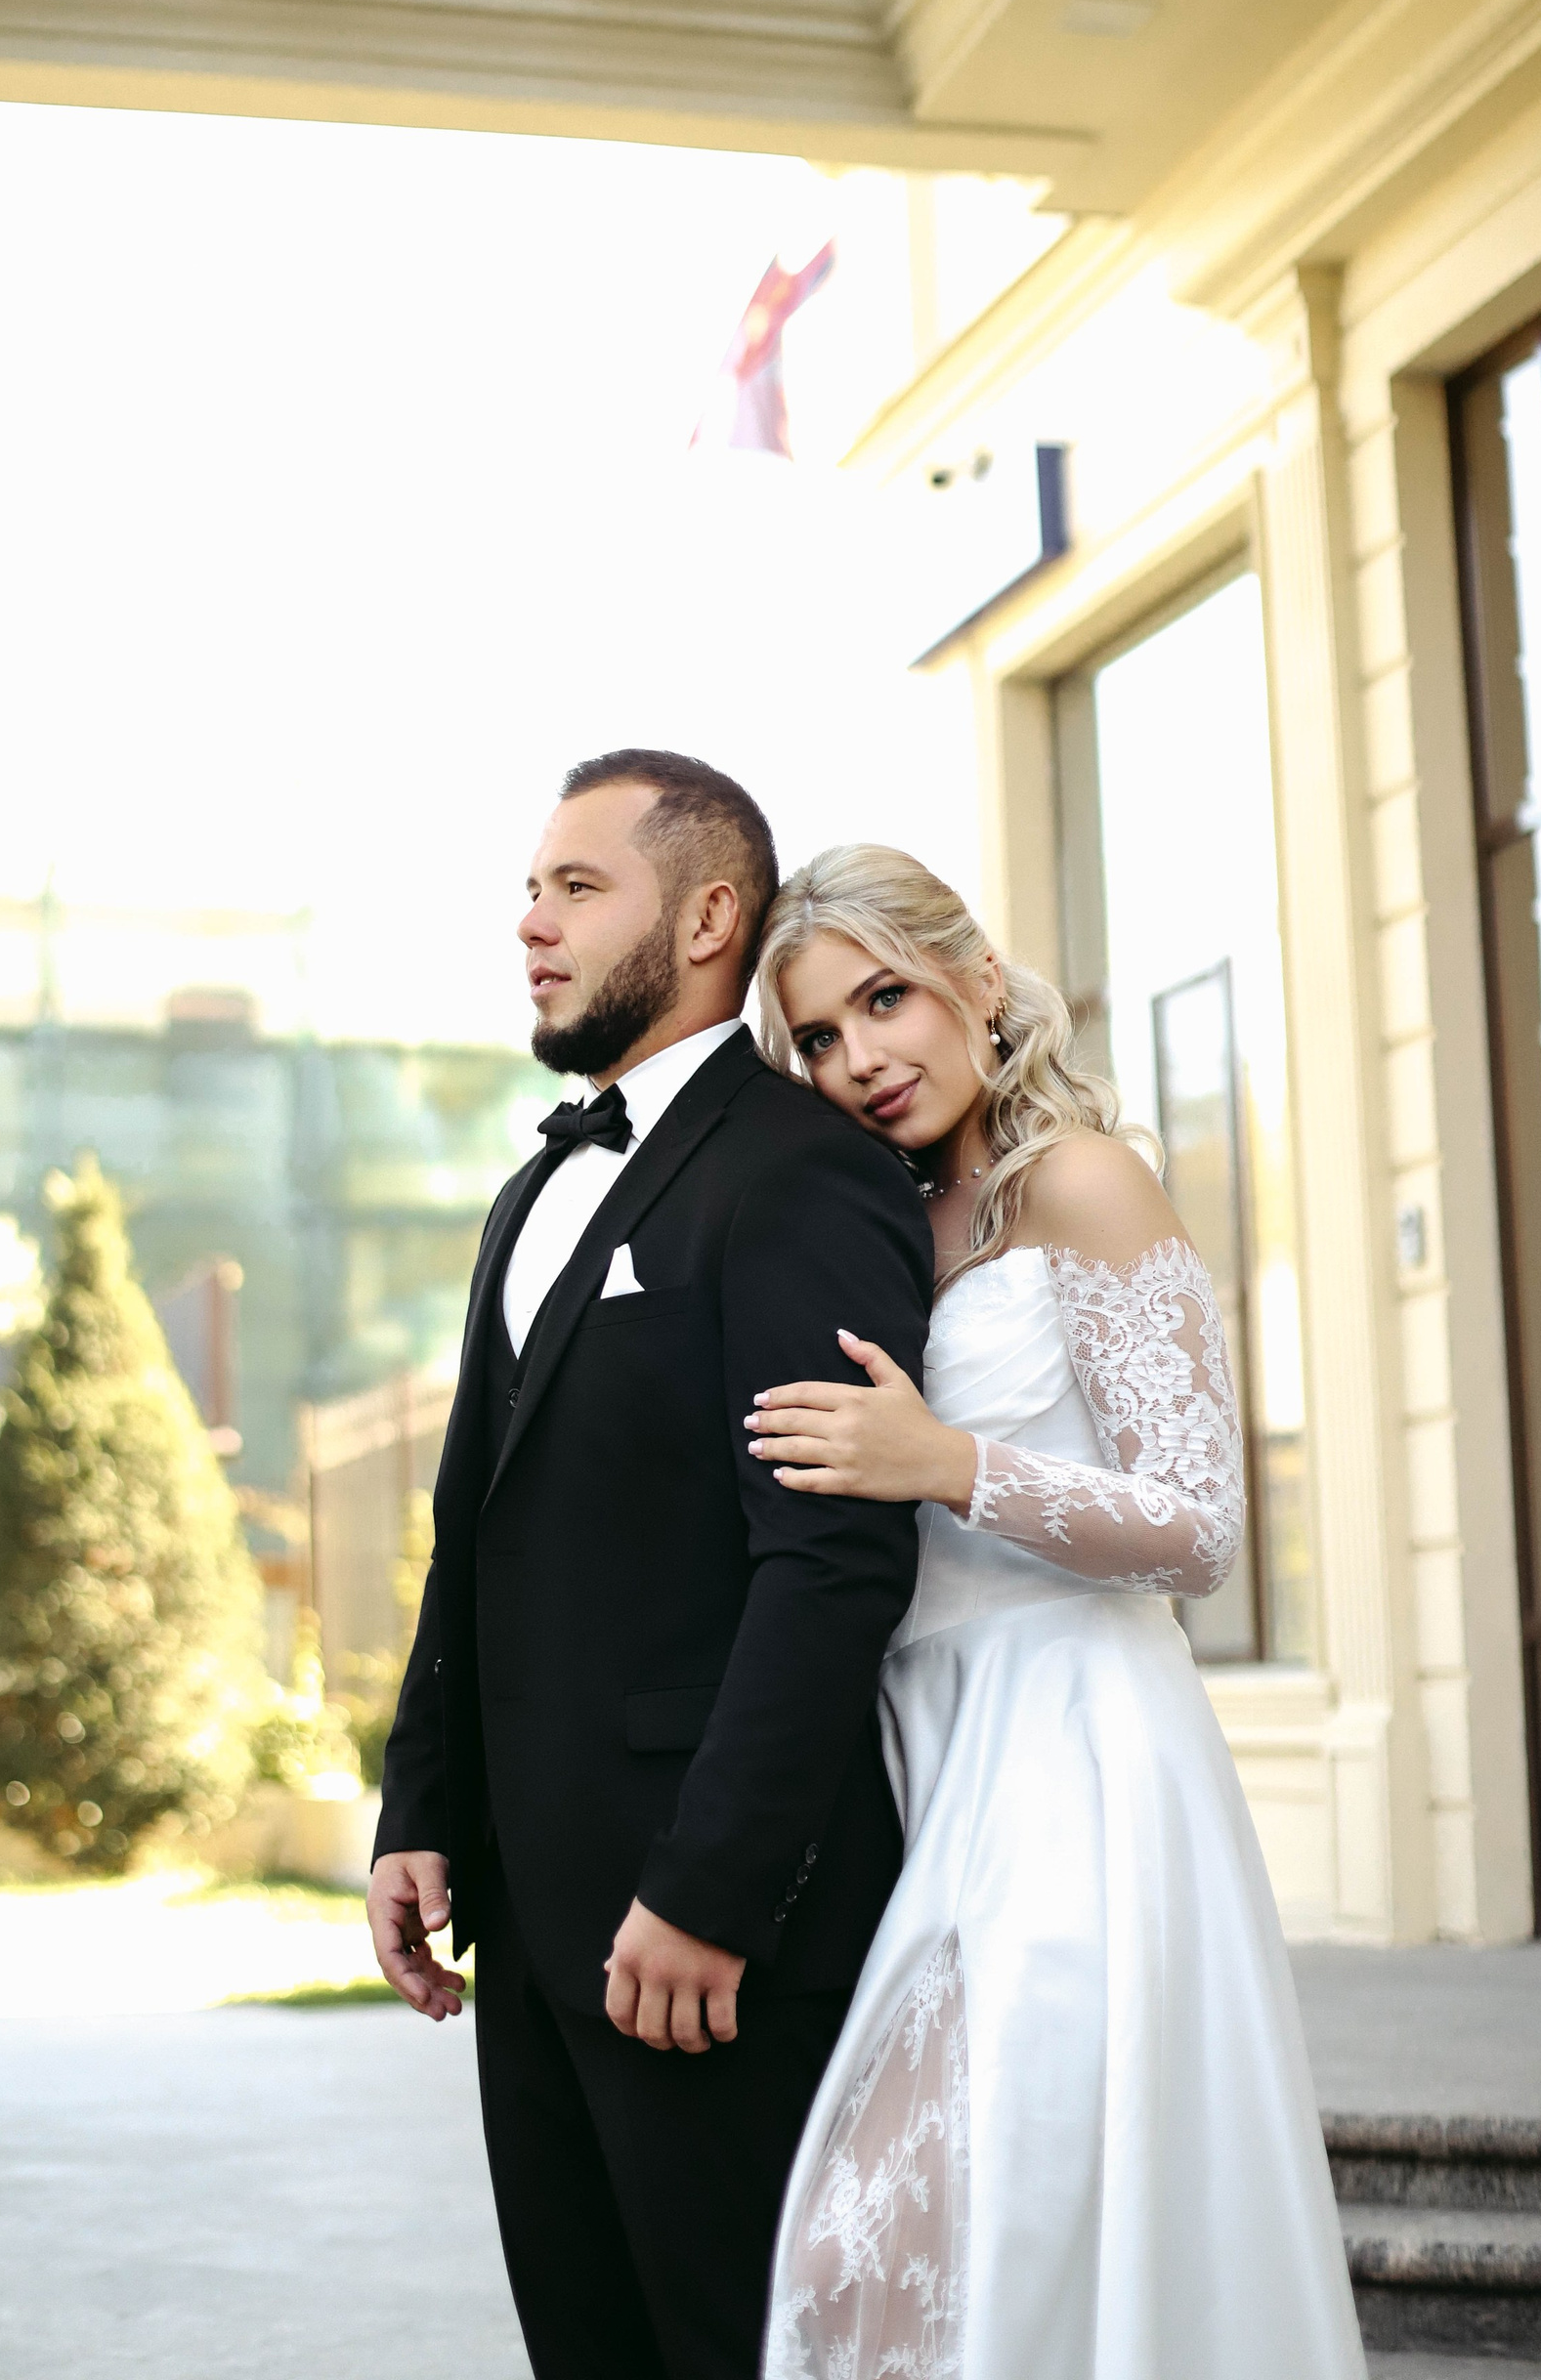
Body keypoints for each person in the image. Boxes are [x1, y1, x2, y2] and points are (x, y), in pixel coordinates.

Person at [747, 843, 1366, 2380]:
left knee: (954, 2210)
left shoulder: (1082, 1181)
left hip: (1081, 1755)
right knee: (904, 2244)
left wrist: (946, 1463)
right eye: (818, 1035)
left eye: (885, 999)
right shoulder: (887, 1220)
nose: (860, 1057)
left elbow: (1201, 1527)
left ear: (975, 981)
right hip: (927, 1754)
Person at [366, 754, 935, 2380]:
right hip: (531, 1927)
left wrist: (711, 1890)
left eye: (577, 888)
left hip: (701, 1937)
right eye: (531, 890)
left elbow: (831, 1562)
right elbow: (476, 1531)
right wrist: (422, 1809)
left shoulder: (804, 1170)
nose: (531, 924)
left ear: (704, 919)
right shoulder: (530, 1189)